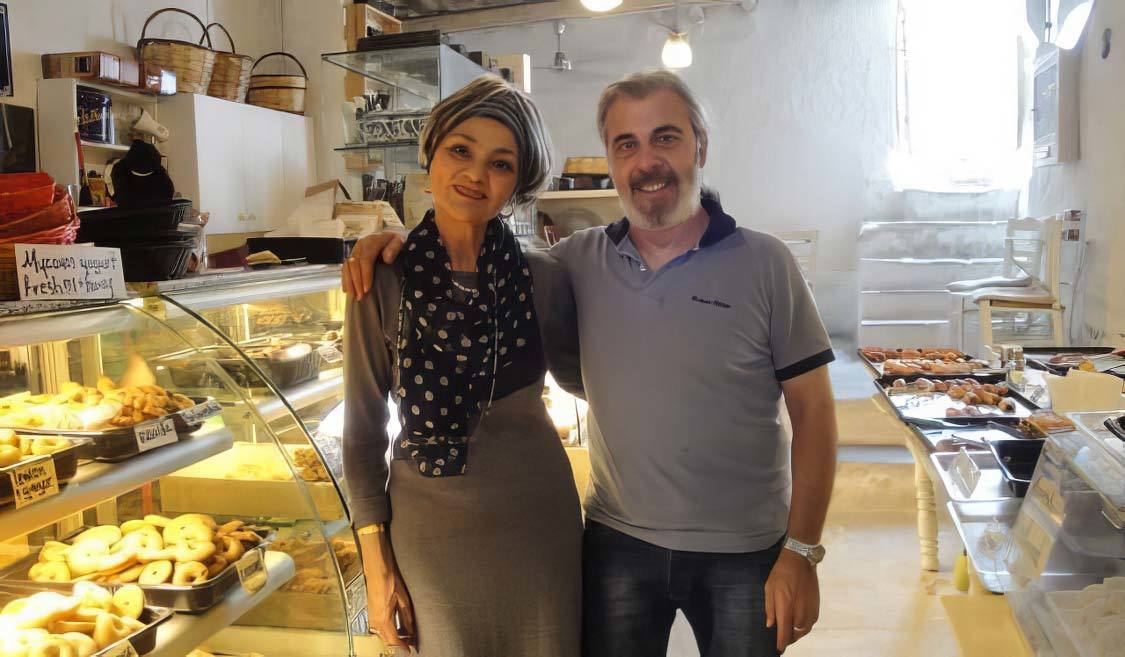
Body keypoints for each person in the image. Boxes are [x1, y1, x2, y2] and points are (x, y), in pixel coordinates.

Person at [345, 70, 838, 657]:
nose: (646, 161)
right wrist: (390, 238)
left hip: (720, 545)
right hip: (601, 543)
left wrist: (802, 551)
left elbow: (814, 417)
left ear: (700, 146)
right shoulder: (572, 262)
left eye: (666, 138)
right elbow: (367, 426)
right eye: (626, 144)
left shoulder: (756, 263)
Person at [342, 74, 582, 657]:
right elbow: (362, 434)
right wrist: (376, 568)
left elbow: (596, 382)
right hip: (428, 538)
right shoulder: (381, 280)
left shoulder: (543, 279)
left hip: (538, 526)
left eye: (500, 164)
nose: (475, 174)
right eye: (460, 150)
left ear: (519, 184)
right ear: (431, 155)